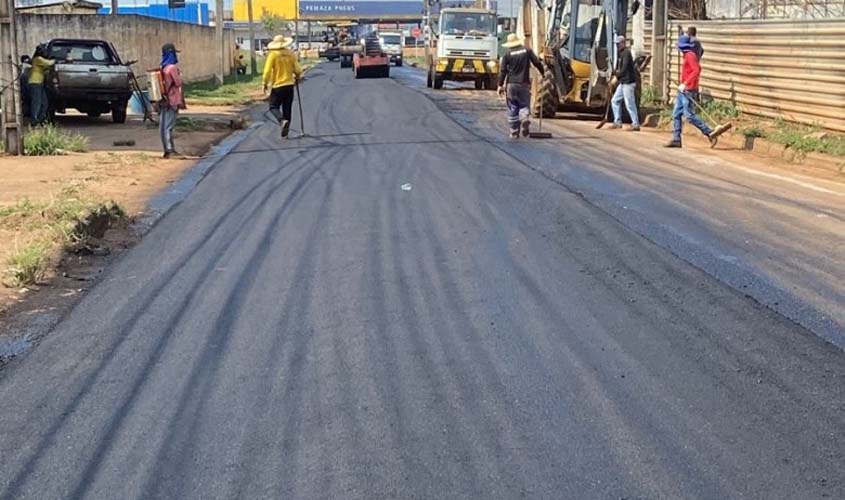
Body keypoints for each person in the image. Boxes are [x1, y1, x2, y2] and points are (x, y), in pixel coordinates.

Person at [665, 35, 717, 148]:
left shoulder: (690, 55)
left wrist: (686, 83)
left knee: (689, 115)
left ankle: (709, 132)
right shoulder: (686, 55)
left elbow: (697, 70)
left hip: (689, 89)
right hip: (683, 90)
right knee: (676, 114)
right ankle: (676, 139)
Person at [497, 33, 544, 139]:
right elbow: (537, 62)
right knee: (524, 104)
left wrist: (500, 85)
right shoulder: (527, 51)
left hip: (511, 84)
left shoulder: (507, 54)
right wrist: (543, 73)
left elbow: (503, 71)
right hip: (524, 83)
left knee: (513, 105)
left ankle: (514, 131)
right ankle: (524, 118)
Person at [263, 35, 302, 139]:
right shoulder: (290, 53)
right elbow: (298, 69)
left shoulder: (273, 55)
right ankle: (286, 133)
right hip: (289, 85)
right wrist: (297, 77)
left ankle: (281, 121)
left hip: (278, 85)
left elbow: (267, 71)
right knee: (287, 108)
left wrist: (265, 83)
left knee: (273, 106)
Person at [159, 42, 186, 159]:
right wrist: (180, 75)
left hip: (163, 101)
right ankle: (170, 150)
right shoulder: (172, 68)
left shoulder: (163, 68)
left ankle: (166, 150)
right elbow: (178, 83)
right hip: (172, 100)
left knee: (163, 126)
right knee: (169, 126)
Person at [609, 35, 639, 131]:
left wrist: (616, 78)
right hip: (623, 83)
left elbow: (625, 68)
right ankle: (617, 122)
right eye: (616, 44)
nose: (617, 46)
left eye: (619, 44)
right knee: (615, 101)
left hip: (628, 83)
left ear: (623, 43)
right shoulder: (621, 54)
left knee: (629, 103)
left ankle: (635, 124)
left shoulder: (626, 53)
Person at [27, 45, 55, 126]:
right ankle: (34, 120)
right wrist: (55, 60)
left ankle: (40, 119)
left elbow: (46, 67)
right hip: (35, 82)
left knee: (44, 103)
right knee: (37, 102)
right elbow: (49, 63)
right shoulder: (38, 59)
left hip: (39, 83)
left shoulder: (38, 60)